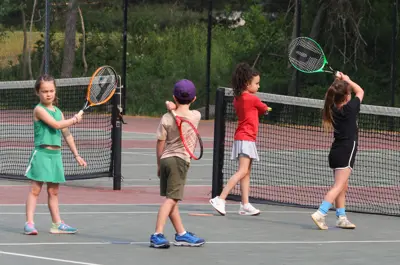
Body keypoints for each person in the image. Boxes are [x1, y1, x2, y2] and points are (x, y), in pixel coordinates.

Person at [24, 74, 87, 235]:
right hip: (42, 154)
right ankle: (29, 223)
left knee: (54, 192)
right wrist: (74, 119)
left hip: (56, 156)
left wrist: (76, 155)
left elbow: (67, 134)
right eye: (44, 91)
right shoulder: (39, 110)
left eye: (51, 90)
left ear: (55, 91)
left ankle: (57, 224)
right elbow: (56, 125)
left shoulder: (58, 111)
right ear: (38, 92)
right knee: (35, 190)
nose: (48, 94)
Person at [150, 79, 205, 248]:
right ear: (194, 99)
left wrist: (159, 164)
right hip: (179, 161)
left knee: (171, 198)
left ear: (174, 97)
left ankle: (181, 234)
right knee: (172, 199)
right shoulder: (196, 116)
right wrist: (173, 106)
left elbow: (160, 142)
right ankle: (157, 234)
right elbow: (182, 112)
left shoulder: (166, 118)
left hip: (166, 159)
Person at [210, 62, 269, 216]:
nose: (258, 87)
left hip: (243, 138)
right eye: (256, 84)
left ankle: (245, 204)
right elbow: (263, 108)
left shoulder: (238, 98)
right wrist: (267, 109)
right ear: (246, 84)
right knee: (243, 171)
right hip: (246, 138)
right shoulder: (252, 98)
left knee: (246, 172)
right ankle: (220, 198)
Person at [311, 72, 364, 230]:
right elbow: (360, 91)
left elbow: (331, 91)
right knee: (338, 186)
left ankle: (341, 217)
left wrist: (338, 81)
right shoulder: (350, 109)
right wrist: (348, 79)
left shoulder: (332, 107)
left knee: (342, 185)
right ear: (347, 97)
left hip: (336, 151)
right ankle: (321, 213)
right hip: (346, 150)